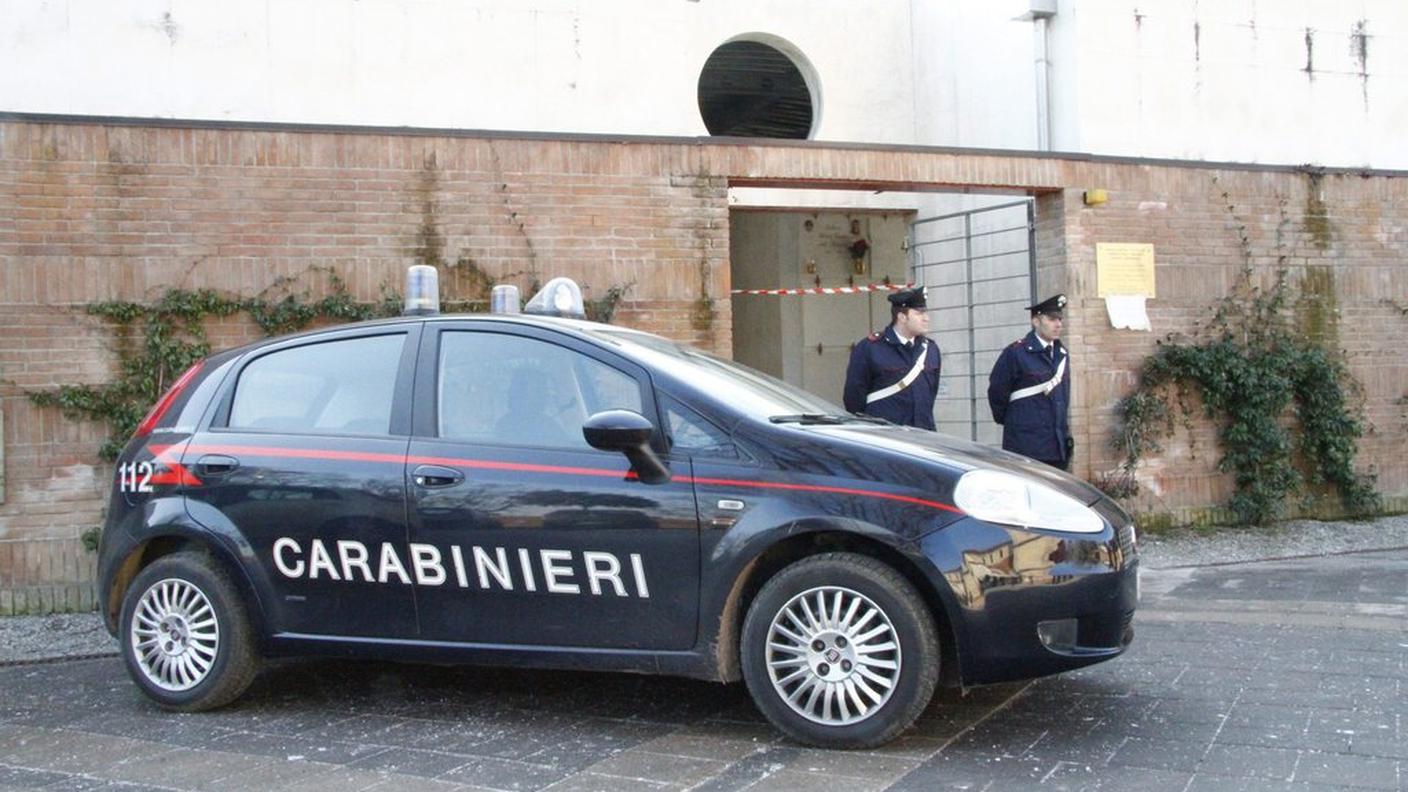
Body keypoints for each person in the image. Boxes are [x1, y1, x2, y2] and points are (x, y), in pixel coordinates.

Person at [987, 293, 1072, 470]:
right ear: (1036, 321)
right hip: (1027, 446)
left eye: (1059, 319)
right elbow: (997, 393)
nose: (1058, 324)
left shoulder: (1061, 354)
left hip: (1056, 446)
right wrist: (1016, 422)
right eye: (1052, 319)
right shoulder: (1016, 353)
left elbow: (1063, 398)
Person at [842, 286, 941, 429]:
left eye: (925, 313)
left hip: (923, 436)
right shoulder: (870, 348)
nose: (926, 319)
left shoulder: (930, 349)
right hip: (885, 438)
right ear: (902, 317)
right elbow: (854, 399)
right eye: (919, 313)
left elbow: (931, 394)